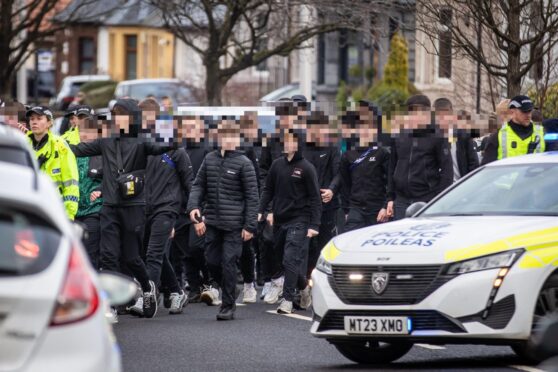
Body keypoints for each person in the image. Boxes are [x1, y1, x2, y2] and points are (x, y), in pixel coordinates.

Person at [69, 98, 175, 319]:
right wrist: (51, 143)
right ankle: (111, 306)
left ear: (133, 117)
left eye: (122, 114)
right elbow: (76, 150)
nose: (118, 119)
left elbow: (160, 146)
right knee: (108, 256)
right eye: (115, 114)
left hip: (134, 206)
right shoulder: (106, 140)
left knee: (131, 257)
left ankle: (147, 287)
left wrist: (178, 136)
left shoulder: (141, 140)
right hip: (109, 206)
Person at [187, 119, 259, 321]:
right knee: (211, 262)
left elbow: (253, 197)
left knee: (228, 263)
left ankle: (228, 306)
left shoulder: (244, 163)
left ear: (236, 139)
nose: (227, 140)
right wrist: (193, 207)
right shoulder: (209, 159)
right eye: (223, 136)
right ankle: (229, 288)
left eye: (231, 136)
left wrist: (250, 225)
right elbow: (198, 185)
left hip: (235, 225)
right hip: (213, 222)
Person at [131, 98, 192, 315]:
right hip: (144, 206)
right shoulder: (139, 146)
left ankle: (147, 298)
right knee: (154, 253)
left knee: (153, 254)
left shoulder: (173, 147)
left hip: (167, 207)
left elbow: (189, 183)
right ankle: (176, 291)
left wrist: (188, 213)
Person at [258, 129, 321, 314]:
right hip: (279, 219)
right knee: (283, 261)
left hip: (300, 219)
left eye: (291, 141)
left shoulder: (307, 168)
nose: (287, 144)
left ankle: (287, 299)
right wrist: (261, 210)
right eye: (285, 141)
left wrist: (314, 225)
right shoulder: (277, 165)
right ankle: (303, 288)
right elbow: (268, 190)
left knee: (290, 258)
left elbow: (315, 198)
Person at [387, 95, 453, 220]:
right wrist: (390, 198)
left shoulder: (438, 136)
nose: (415, 116)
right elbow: (392, 167)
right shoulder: (399, 136)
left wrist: (438, 199)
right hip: (401, 201)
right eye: (412, 112)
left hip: (426, 201)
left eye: (420, 112)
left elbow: (447, 171)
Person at [170, 114, 211, 303]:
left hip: (199, 207)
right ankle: (194, 286)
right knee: (185, 251)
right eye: (187, 127)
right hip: (180, 208)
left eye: (194, 127)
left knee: (197, 247)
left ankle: (210, 282)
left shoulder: (207, 151)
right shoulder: (180, 150)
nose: (190, 131)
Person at [302, 110, 341, 278]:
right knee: (305, 247)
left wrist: (332, 190)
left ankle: (324, 280)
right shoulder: (301, 147)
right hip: (304, 206)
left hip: (327, 205)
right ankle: (302, 285)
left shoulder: (332, 146)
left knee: (324, 246)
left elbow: (339, 172)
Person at [340, 104, 390, 232]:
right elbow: (345, 184)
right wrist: (347, 210)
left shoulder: (382, 153)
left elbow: (389, 182)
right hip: (355, 210)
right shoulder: (348, 155)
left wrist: (385, 206)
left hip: (377, 210)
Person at [25, 106, 80, 221]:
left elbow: (71, 182)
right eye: (32, 119)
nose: (34, 122)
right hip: (28, 208)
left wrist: (69, 214)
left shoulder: (60, 145)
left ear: (49, 122)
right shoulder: (23, 144)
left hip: (54, 209)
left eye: (39, 118)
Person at [69, 107, 104, 269]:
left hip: (93, 212)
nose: (84, 134)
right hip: (73, 213)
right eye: (82, 131)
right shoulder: (72, 155)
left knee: (90, 257)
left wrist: (101, 190)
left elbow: (114, 177)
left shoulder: (104, 154)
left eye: (89, 131)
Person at [482, 95, 545, 164]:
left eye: (530, 111)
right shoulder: (497, 136)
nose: (528, 115)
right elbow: (487, 168)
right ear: (512, 112)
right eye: (524, 111)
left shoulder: (542, 133)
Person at [434, 98, 479, 181]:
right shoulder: (431, 137)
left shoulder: (462, 135)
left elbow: (473, 163)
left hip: (461, 185)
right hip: (440, 189)